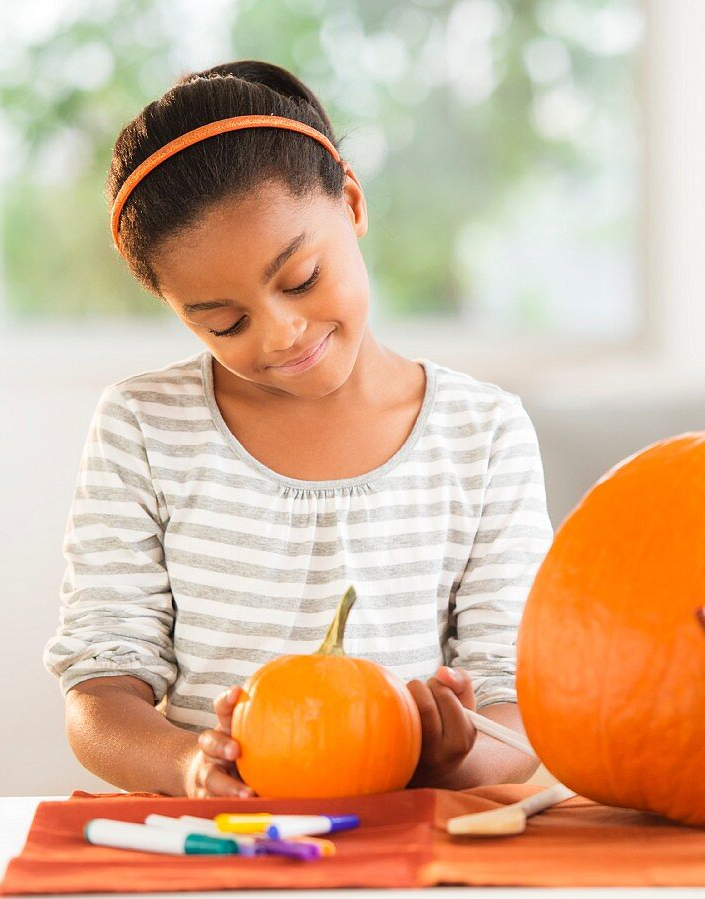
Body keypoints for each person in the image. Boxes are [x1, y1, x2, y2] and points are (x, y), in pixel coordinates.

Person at [42, 59, 553, 798]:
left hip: (407, 849)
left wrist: (456, 756)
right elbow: (97, 695)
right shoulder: (145, 427)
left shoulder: (484, 433)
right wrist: (188, 763)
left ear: (350, 202)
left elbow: (517, 705)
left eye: (301, 279)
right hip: (220, 846)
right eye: (225, 322)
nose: (281, 334)